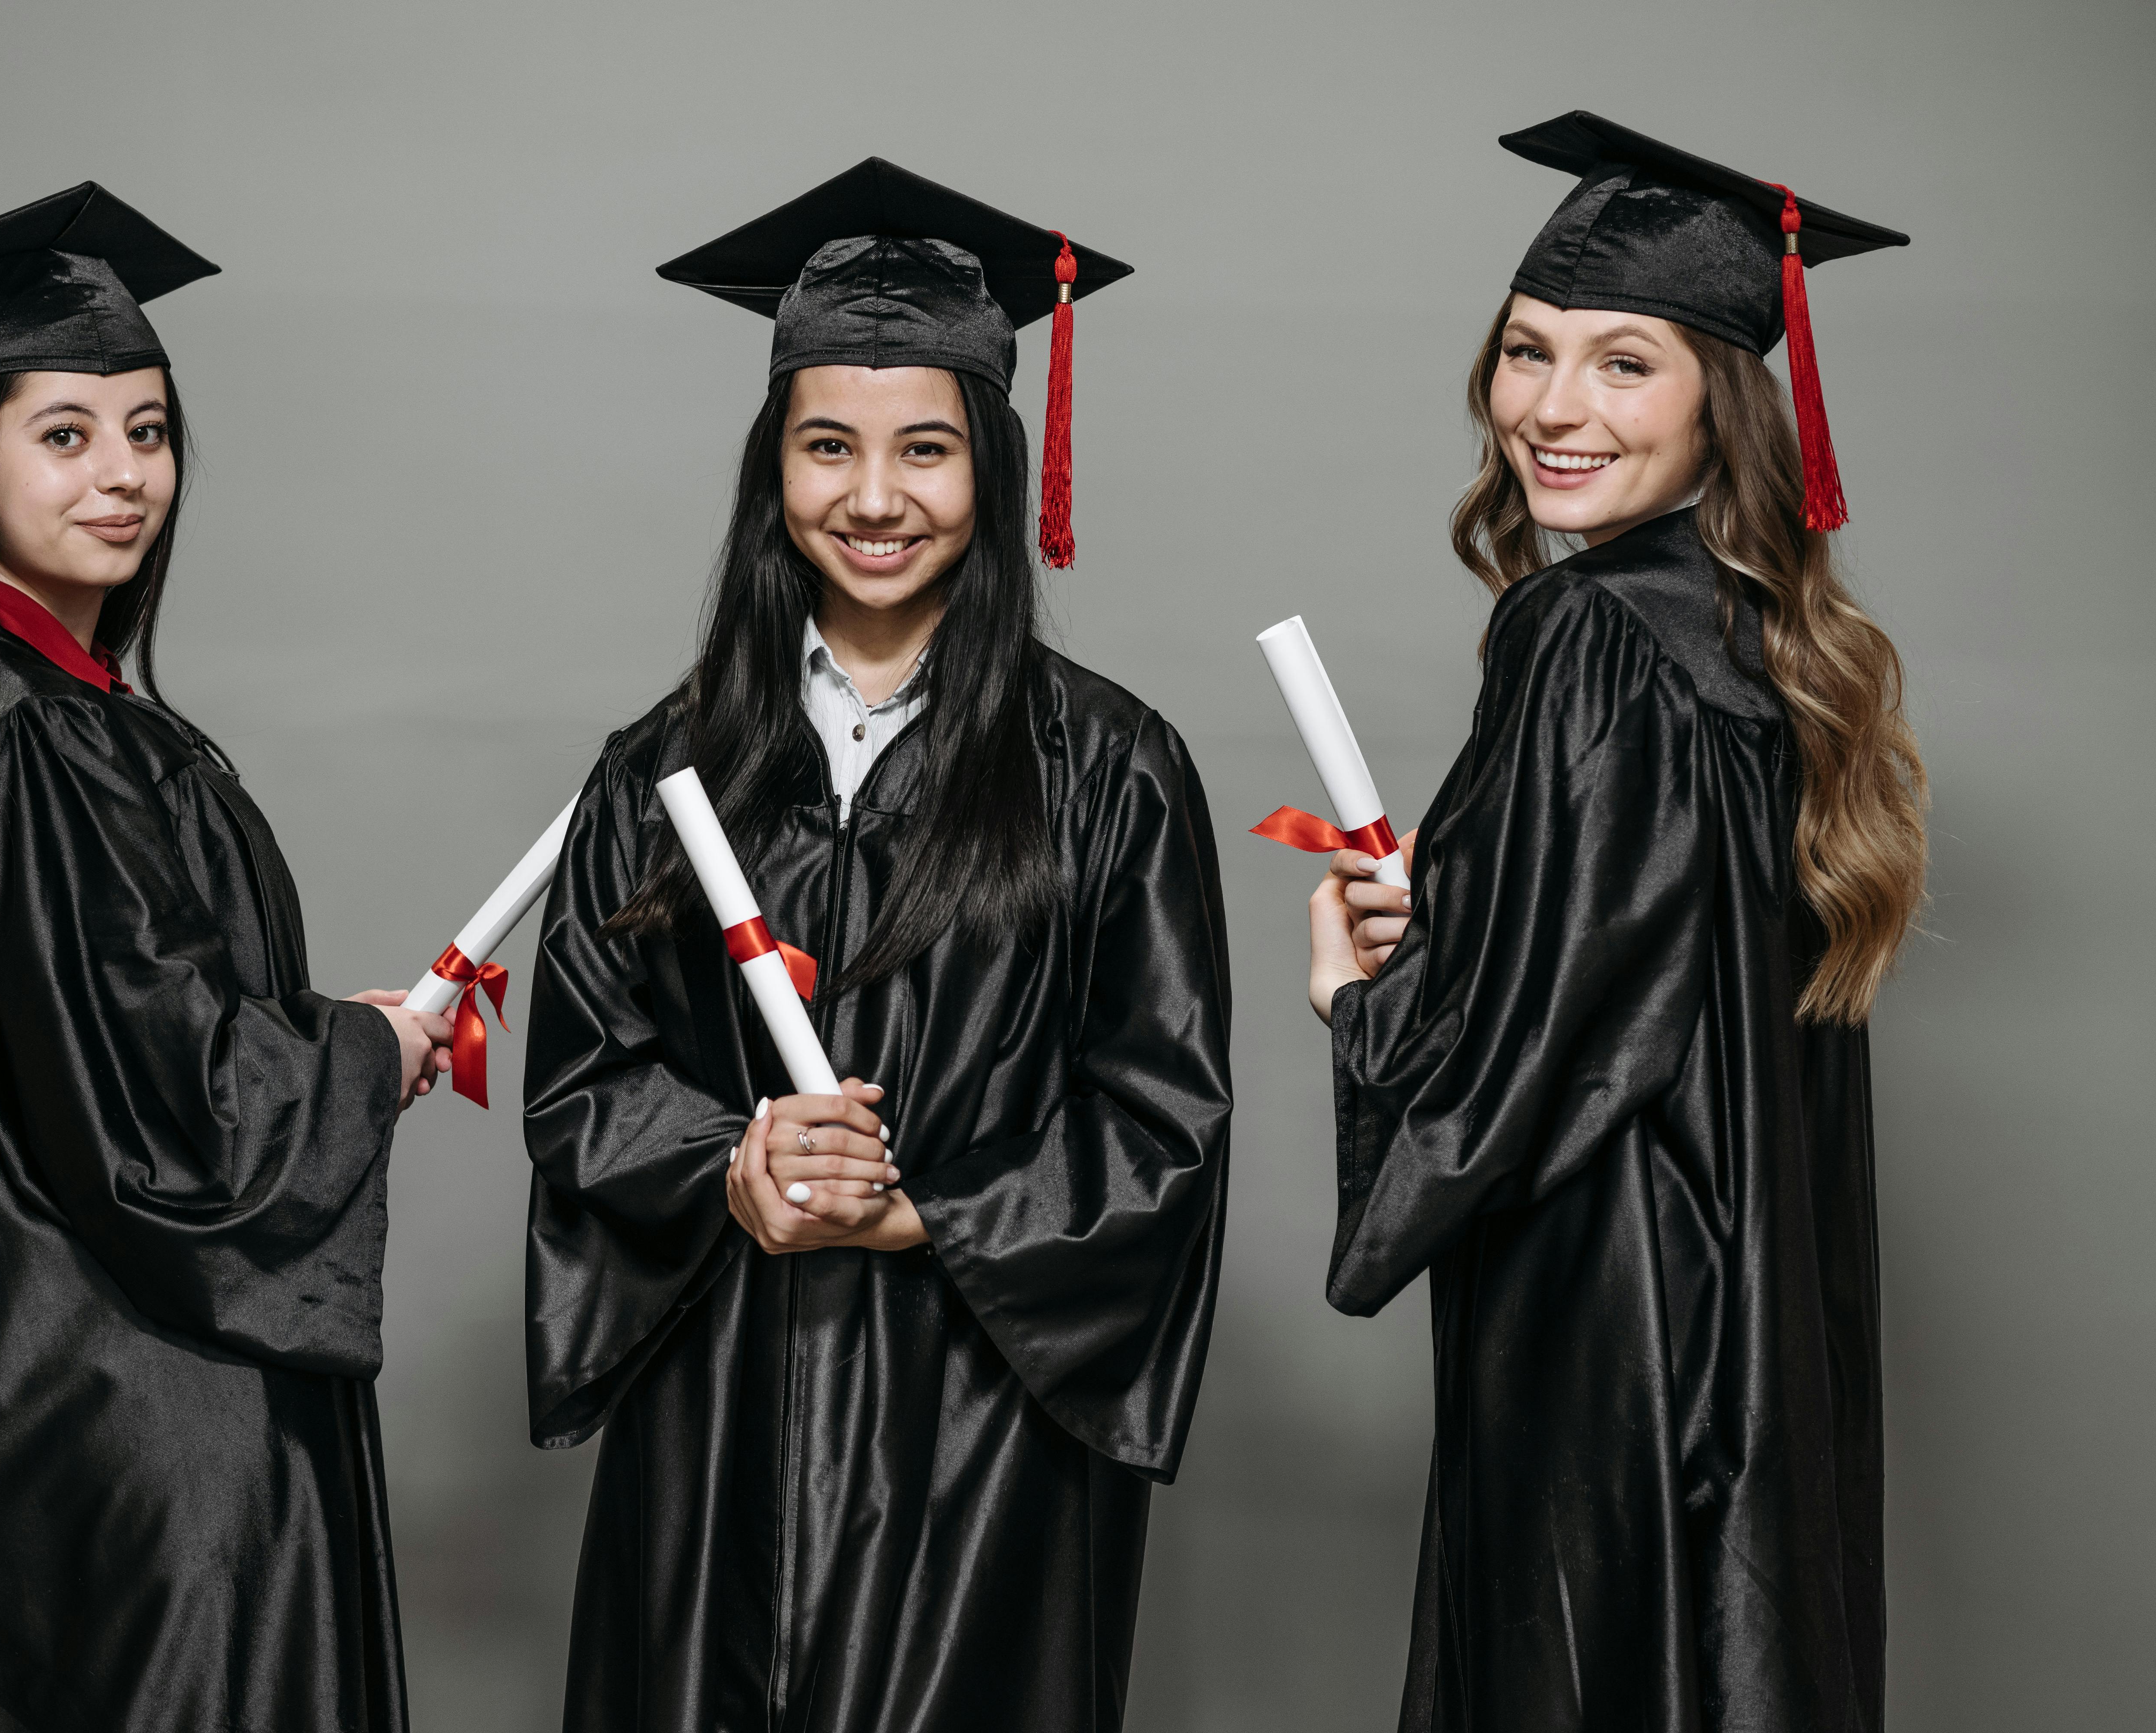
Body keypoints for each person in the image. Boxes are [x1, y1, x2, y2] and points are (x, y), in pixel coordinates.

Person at [520, 159, 1232, 1732]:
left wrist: (930, 1209)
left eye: (929, 449)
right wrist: (736, 1165)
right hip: (718, 1418)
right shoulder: (666, 768)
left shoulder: (1110, 770)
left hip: (977, 1436)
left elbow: (1163, 1121)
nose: (875, 498)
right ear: (771, 466)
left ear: (994, 463)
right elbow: (581, 1084)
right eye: (826, 446)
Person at [0, 184, 451, 1733]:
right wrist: (372, 1054)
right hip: (151, 1451)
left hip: (32, 1426)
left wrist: (310, 1033)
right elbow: (175, 1121)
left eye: (147, 432)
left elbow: (104, 1050)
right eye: (65, 435)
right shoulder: (32, 752)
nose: (126, 474)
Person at [1300, 113, 1926, 1731]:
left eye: (1622, 364)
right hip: (1751, 1321)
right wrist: (1480, 900)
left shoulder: (1577, 634)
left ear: (1724, 405)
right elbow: (1637, 959)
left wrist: (1367, 1000)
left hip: (1615, 1327)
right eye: (1527, 353)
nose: (1551, 410)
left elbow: (1520, 1064)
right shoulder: (1763, 647)